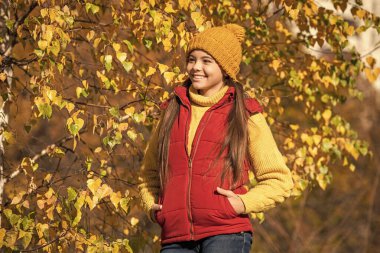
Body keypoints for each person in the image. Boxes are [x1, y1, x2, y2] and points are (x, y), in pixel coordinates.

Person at [138, 23, 294, 253]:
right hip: (175, 237)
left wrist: (240, 203)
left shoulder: (244, 113)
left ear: (225, 68)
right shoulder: (171, 111)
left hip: (226, 233)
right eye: (192, 59)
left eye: (206, 61)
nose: (196, 67)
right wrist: (153, 207)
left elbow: (279, 179)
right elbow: (148, 173)